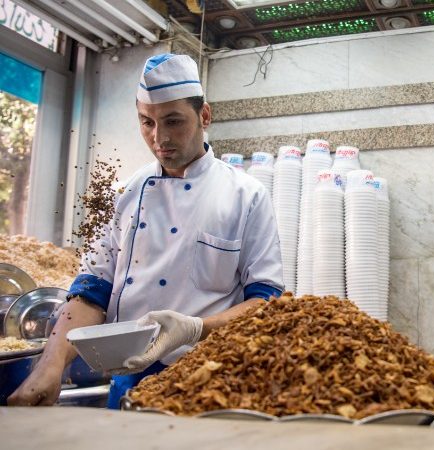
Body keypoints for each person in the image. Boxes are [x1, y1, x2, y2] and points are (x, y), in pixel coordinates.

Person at [9, 53, 283, 408]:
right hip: (130, 384)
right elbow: (91, 293)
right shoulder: (123, 194)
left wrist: (196, 329)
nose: (159, 138)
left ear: (205, 116)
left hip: (210, 382)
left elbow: (266, 304)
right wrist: (51, 366)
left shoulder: (246, 196)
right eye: (146, 123)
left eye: (173, 121)